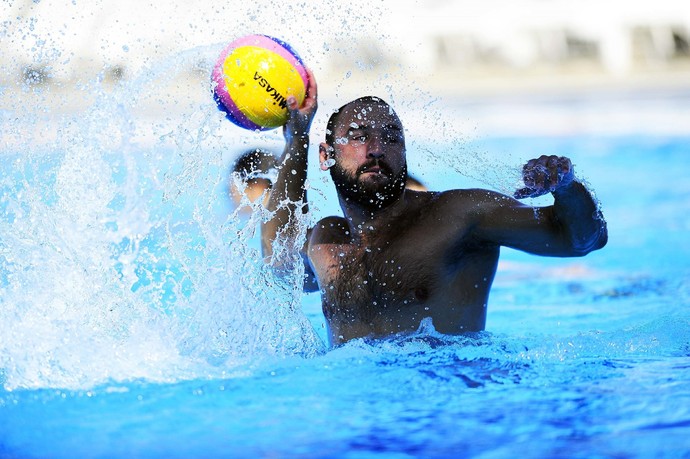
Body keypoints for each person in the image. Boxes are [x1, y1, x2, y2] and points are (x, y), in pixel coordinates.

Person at [261, 69, 608, 346]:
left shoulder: (458, 215)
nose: (377, 148)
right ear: (325, 156)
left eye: (392, 137)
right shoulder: (327, 239)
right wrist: (296, 140)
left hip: (446, 409)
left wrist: (567, 188)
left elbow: (581, 240)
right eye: (358, 135)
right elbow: (277, 259)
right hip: (355, 419)